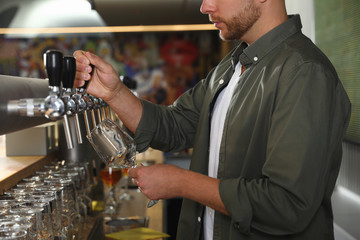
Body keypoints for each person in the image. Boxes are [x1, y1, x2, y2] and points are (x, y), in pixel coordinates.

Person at [73, 0, 351, 239]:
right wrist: (114, 92)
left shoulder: (304, 72)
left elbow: (287, 204)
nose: (205, 7)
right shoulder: (230, 68)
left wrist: (182, 183)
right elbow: (175, 125)